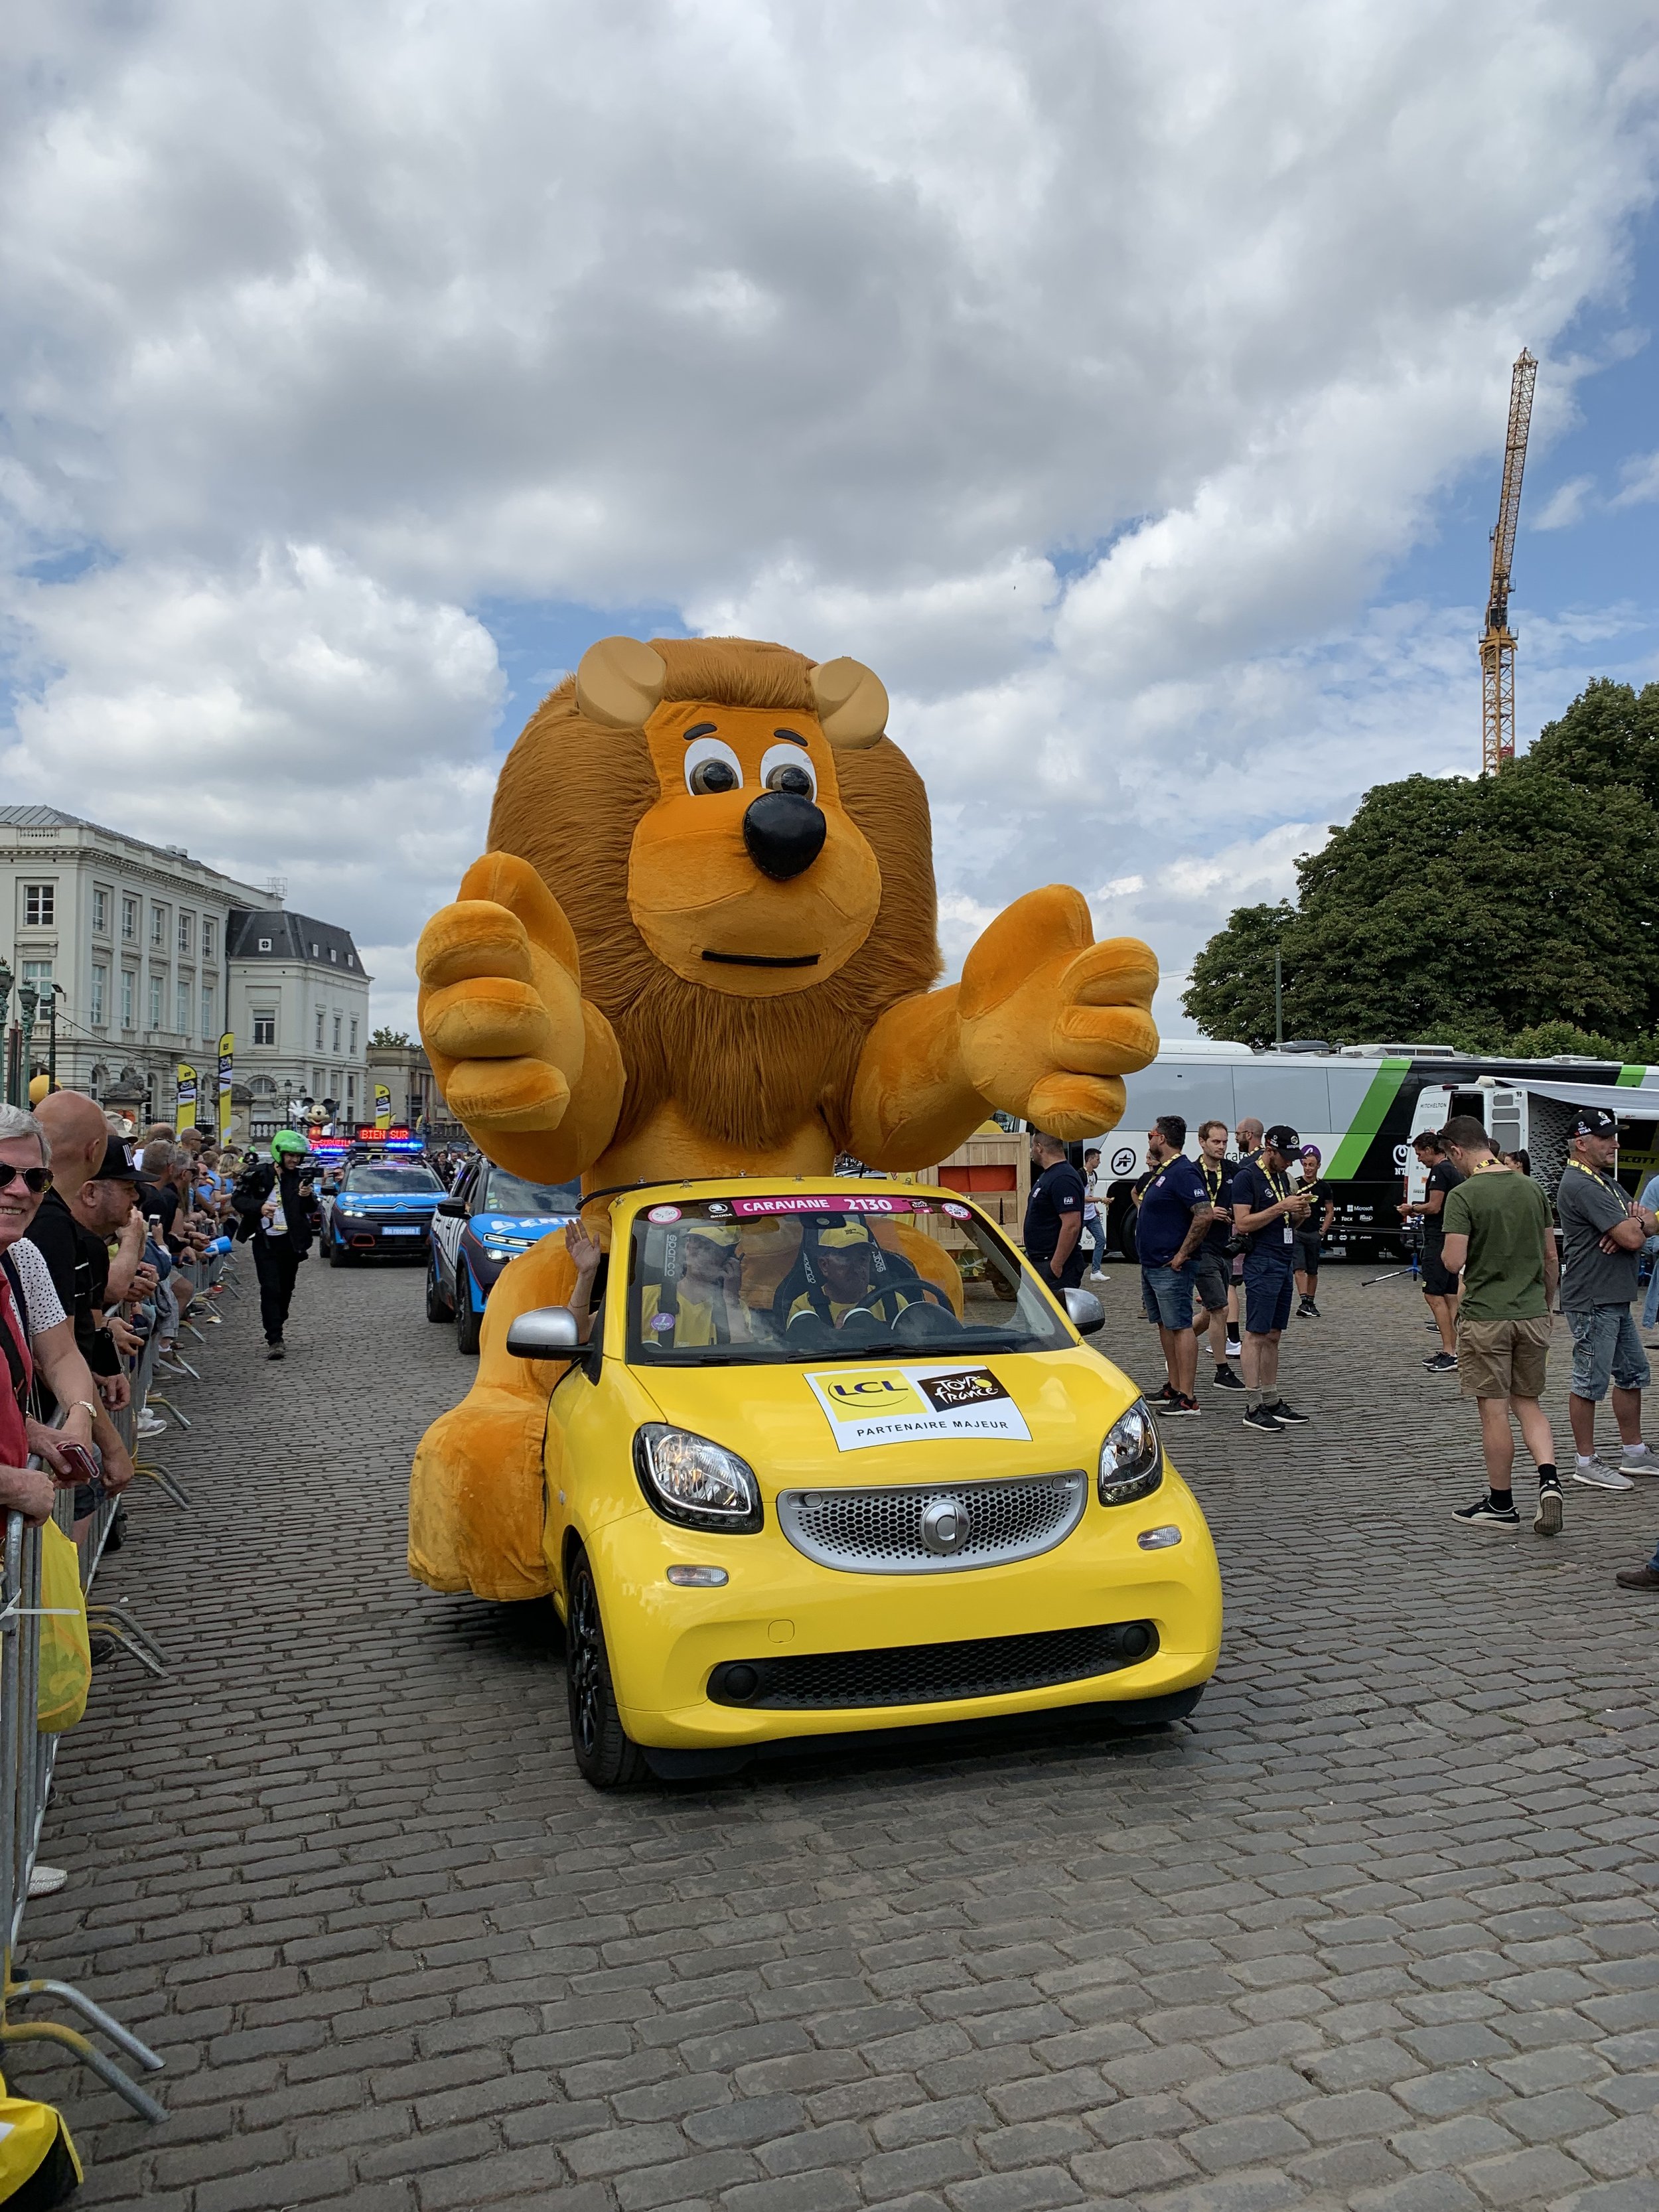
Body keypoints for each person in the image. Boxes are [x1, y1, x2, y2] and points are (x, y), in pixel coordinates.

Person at [1439, 1114, 1561, 1534]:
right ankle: (1549, 1480)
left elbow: (1453, 1261)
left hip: (1486, 1317)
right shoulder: (1531, 1187)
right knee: (1528, 1402)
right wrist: (1546, 1305)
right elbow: (1551, 1257)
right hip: (1531, 1313)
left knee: (1494, 1411)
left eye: (1450, 1157)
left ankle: (1502, 1504)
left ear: (1457, 1150)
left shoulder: (1464, 1195)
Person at [1553, 1104, 1658, 1491]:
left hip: (1613, 1295)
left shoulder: (1604, 1181)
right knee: (1589, 1381)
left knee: (1633, 1373)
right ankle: (1586, 1461)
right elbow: (1632, 1237)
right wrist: (1631, 1229)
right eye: (1606, 1138)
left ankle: (1634, 1452)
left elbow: (1646, 1221)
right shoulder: (1582, 1184)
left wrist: (1634, 1225)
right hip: (1593, 1297)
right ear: (1581, 1143)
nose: (1615, 1144)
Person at [1229, 1124, 1311, 1434]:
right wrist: (1281, 1207)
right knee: (1256, 1333)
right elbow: (1243, 1223)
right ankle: (1253, 1405)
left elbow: (1287, 1220)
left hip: (1284, 1259)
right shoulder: (1247, 1176)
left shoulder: (1282, 1177)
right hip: (1262, 1261)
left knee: (1274, 1334)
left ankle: (1272, 1397)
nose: (1290, 1162)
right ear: (1269, 1149)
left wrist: (1298, 1213)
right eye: (1286, 1156)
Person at [1133, 1116, 1217, 1415]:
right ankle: (1174, 1384)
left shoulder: (1183, 1171)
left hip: (1172, 1267)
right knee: (1165, 1325)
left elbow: (1204, 1214)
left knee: (1181, 1327)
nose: (1149, 1139)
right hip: (1153, 1264)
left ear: (1162, 1138)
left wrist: (1182, 1254)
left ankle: (1188, 1398)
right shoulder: (1164, 1171)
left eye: (1151, 1134)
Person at [232, 1132, 323, 1359]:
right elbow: (238, 1200)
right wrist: (259, 1207)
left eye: (298, 1156)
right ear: (280, 1154)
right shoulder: (257, 1174)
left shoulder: (300, 1177)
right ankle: (274, 1337)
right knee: (270, 1288)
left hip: (291, 1243)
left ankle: (278, 1319)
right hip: (265, 1241)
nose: (294, 1160)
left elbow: (311, 1208)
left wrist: (306, 1196)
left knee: (286, 1288)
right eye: (290, 1156)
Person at [1401, 1130, 1463, 1372]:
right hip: (1450, 1237)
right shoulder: (1452, 1169)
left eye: (1419, 1154)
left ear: (1429, 1150)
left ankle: (1450, 1351)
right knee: (1449, 1295)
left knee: (1433, 1295)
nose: (1419, 1159)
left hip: (1438, 1239)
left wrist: (1413, 1208)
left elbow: (1435, 1206)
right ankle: (1454, 1350)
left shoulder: (1439, 1171)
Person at [1191, 1121, 1242, 1392]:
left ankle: (1179, 1346)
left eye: (1224, 1142)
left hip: (1224, 1248)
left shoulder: (1233, 1171)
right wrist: (1209, 1211)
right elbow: (1180, 1206)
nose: (1221, 1147)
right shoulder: (1191, 1172)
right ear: (1202, 1142)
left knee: (1208, 1314)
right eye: (1216, 1142)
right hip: (1201, 1250)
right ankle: (1222, 1371)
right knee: (1221, 1309)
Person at [642, 1222, 753, 1345]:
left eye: (708, 1248)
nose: (698, 1252)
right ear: (686, 1247)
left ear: (729, 1259)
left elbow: (742, 1351)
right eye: (695, 1244)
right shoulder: (647, 1298)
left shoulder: (735, 1308)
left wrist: (731, 1298)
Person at [1024, 1133, 1086, 1292]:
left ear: (1039, 1148)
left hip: (1054, 1266)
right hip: (1043, 1262)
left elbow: (1072, 1225)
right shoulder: (1049, 1175)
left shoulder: (1063, 1178)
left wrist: (1056, 1265)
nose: (1031, 1151)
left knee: (1056, 1308)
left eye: (1032, 1146)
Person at [1293, 1143, 1334, 1319]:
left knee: (1313, 1270)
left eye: (1311, 1165)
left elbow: (1330, 1211)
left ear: (1318, 1166)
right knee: (1299, 1268)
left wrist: (1322, 1231)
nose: (1308, 1168)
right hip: (1298, 1233)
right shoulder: (1296, 1184)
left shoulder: (1324, 1187)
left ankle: (1311, 1302)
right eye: (1305, 1165)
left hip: (1314, 1234)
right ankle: (1303, 1301)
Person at [1082, 1148, 1108, 1276]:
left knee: (1101, 1240)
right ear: (1090, 1159)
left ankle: (1096, 1271)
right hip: (1081, 1215)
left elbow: (1090, 1193)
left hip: (1091, 1215)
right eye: (1097, 1159)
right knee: (1072, 1243)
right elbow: (1081, 1197)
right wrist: (1101, 1199)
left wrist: (1094, 1207)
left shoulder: (1094, 1175)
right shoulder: (1081, 1175)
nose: (1099, 1162)